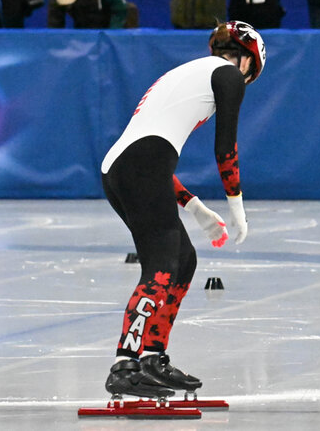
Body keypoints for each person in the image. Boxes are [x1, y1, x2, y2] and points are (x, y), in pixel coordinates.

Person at [99, 21, 264, 399]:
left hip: (125, 166)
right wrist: (237, 207)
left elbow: (148, 150)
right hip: (139, 167)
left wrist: (196, 207)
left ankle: (152, 357)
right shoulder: (228, 76)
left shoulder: (189, 72)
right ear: (248, 63)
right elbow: (226, 149)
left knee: (183, 260)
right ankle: (125, 363)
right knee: (160, 266)